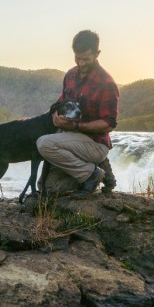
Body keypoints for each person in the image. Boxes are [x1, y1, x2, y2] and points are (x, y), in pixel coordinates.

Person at [37, 29, 119, 194]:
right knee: (47, 188)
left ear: (97, 54)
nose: (81, 63)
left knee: (44, 143)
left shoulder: (106, 83)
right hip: (69, 141)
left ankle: (92, 174)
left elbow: (109, 124)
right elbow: (59, 104)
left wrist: (76, 126)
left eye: (86, 59)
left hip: (95, 143)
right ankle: (101, 172)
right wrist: (55, 116)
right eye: (77, 58)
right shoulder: (70, 75)